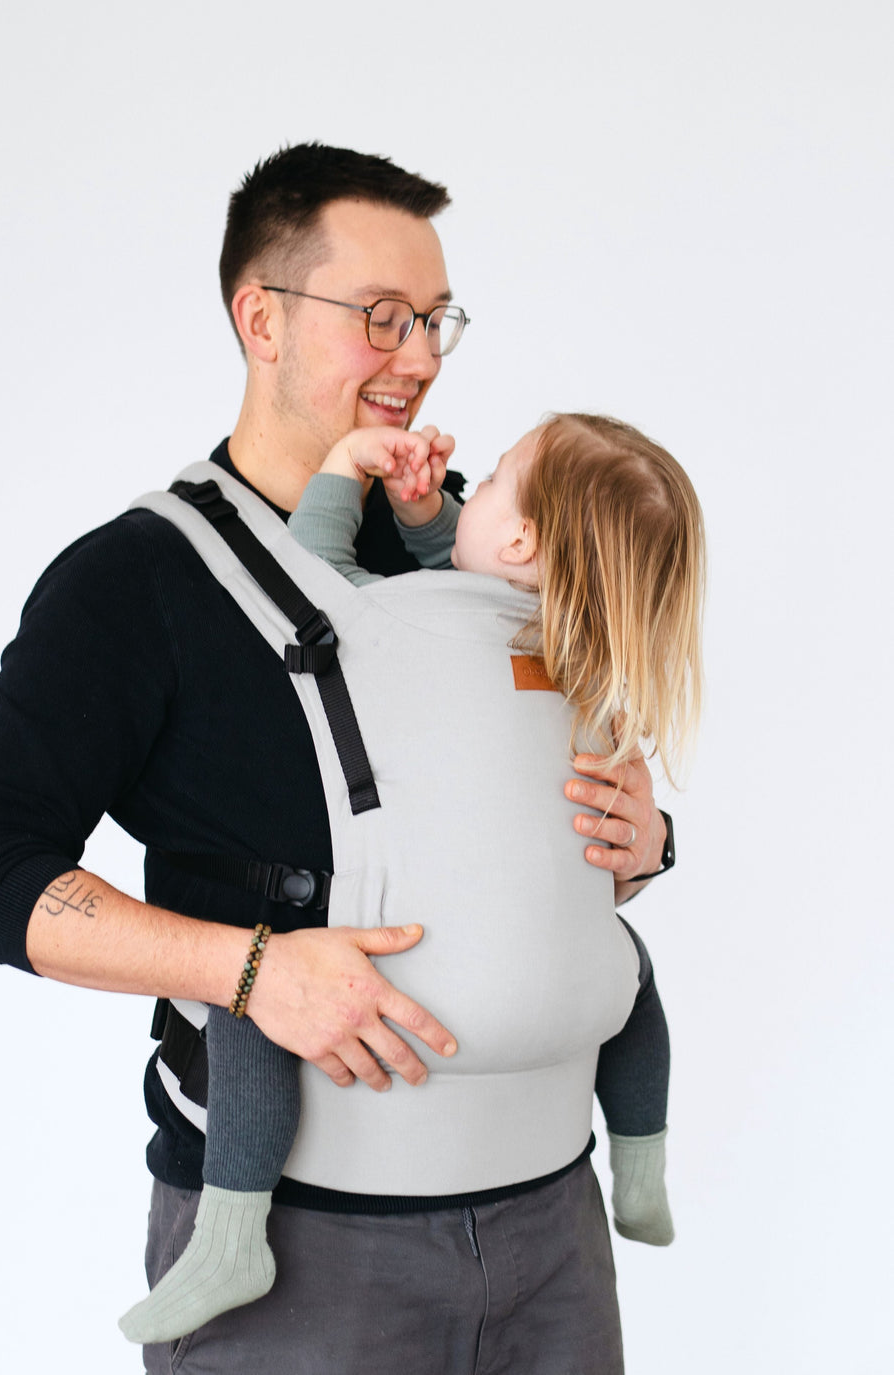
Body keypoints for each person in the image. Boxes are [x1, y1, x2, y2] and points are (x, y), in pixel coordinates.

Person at [0, 143, 673, 1375]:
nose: (418, 356)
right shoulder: (137, 583)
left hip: (551, 1222)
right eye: (380, 315)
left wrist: (639, 839)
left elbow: (531, 811)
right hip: (306, 1255)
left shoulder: (478, 539)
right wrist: (248, 968)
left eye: (434, 319)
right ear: (260, 318)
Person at [117, 414, 700, 1346]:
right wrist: (431, 517)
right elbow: (481, 577)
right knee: (634, 974)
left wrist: (345, 472)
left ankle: (232, 1230)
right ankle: (641, 1166)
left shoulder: (390, 624)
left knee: (249, 986)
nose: (470, 487)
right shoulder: (585, 654)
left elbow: (318, 574)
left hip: (410, 990)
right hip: (576, 1004)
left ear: (520, 540)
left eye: (494, 478)